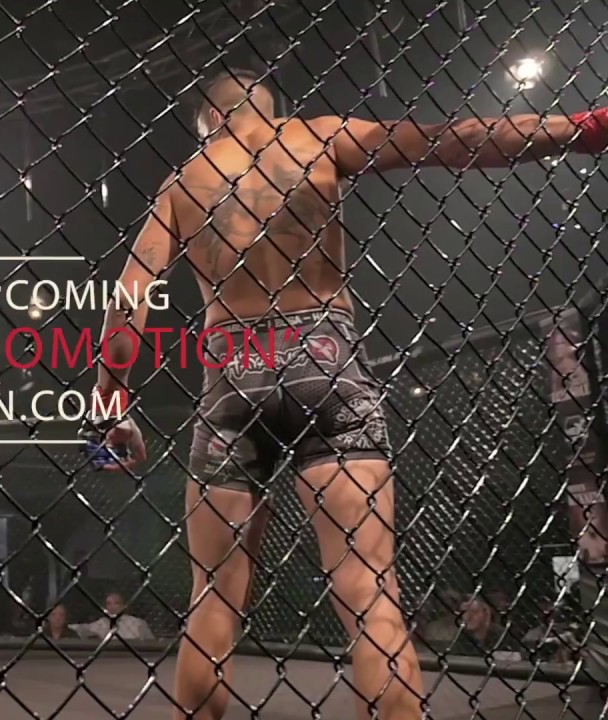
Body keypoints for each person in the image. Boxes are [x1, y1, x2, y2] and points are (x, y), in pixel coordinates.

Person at [89, 67, 608, 720]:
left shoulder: (183, 182)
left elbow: (129, 297)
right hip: (324, 357)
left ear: (211, 121)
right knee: (368, 590)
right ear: (268, 106)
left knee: (213, 596)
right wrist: (581, 128)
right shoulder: (319, 138)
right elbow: (455, 139)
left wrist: (110, 407)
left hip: (233, 370)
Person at [67, 592, 154, 641]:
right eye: (109, 604)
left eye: (116, 603)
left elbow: (151, 643)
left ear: (123, 606)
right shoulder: (102, 623)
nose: (112, 607)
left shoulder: (138, 623)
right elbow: (84, 628)